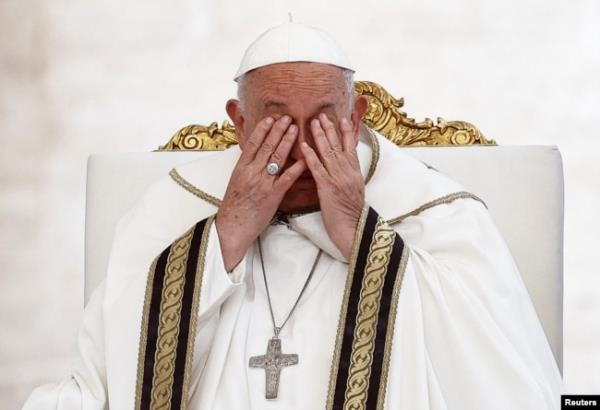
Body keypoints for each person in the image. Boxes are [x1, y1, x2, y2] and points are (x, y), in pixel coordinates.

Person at [24, 20, 563, 410]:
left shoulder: (439, 215)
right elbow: (110, 377)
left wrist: (358, 232)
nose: (302, 150)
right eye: (277, 125)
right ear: (238, 121)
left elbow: (504, 375)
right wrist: (227, 232)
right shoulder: (171, 210)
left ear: (356, 116)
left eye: (325, 123)